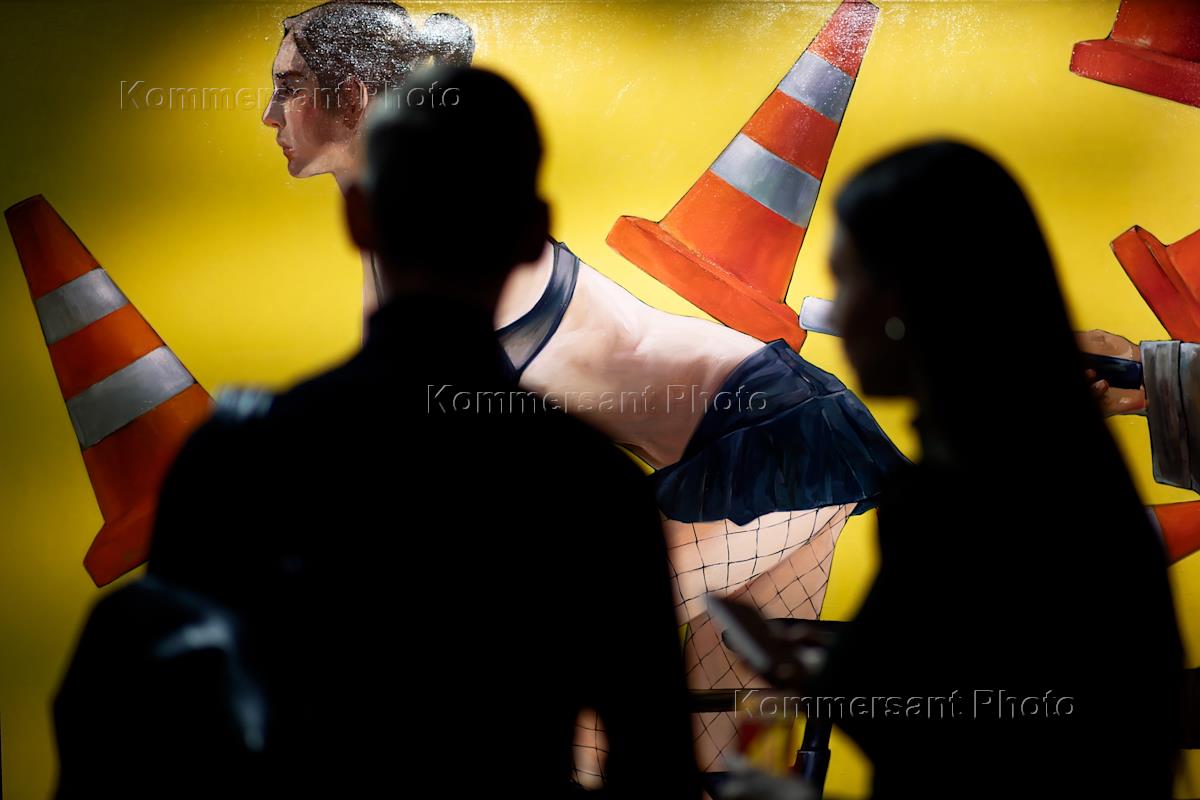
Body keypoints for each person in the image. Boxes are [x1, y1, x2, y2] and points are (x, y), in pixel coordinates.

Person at [258, 1, 907, 774]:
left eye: (288, 86)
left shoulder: (446, 230)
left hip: (773, 439)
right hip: (777, 436)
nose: (269, 114)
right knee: (723, 764)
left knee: (577, 687)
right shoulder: (430, 232)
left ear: (356, 96)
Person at [56, 65, 702, 800]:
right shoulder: (590, 486)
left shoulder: (239, 458)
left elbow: (154, 727)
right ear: (532, 233)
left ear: (358, 219)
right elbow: (654, 770)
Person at [802, 140, 1183, 798]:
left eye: (848, 279)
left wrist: (828, 678)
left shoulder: (959, 498)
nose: (834, 310)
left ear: (910, 302)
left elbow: (948, 736)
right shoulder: (1061, 472)